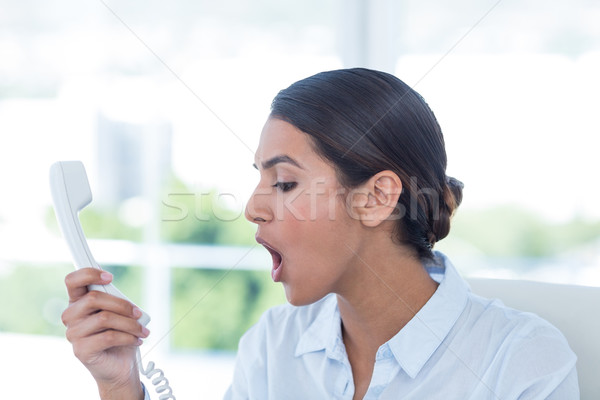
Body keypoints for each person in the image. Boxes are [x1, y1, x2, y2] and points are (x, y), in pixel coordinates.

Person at [62, 68, 579, 399]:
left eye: (284, 181)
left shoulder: (521, 362)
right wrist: (121, 383)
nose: (252, 207)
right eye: (259, 178)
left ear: (376, 198)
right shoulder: (275, 344)